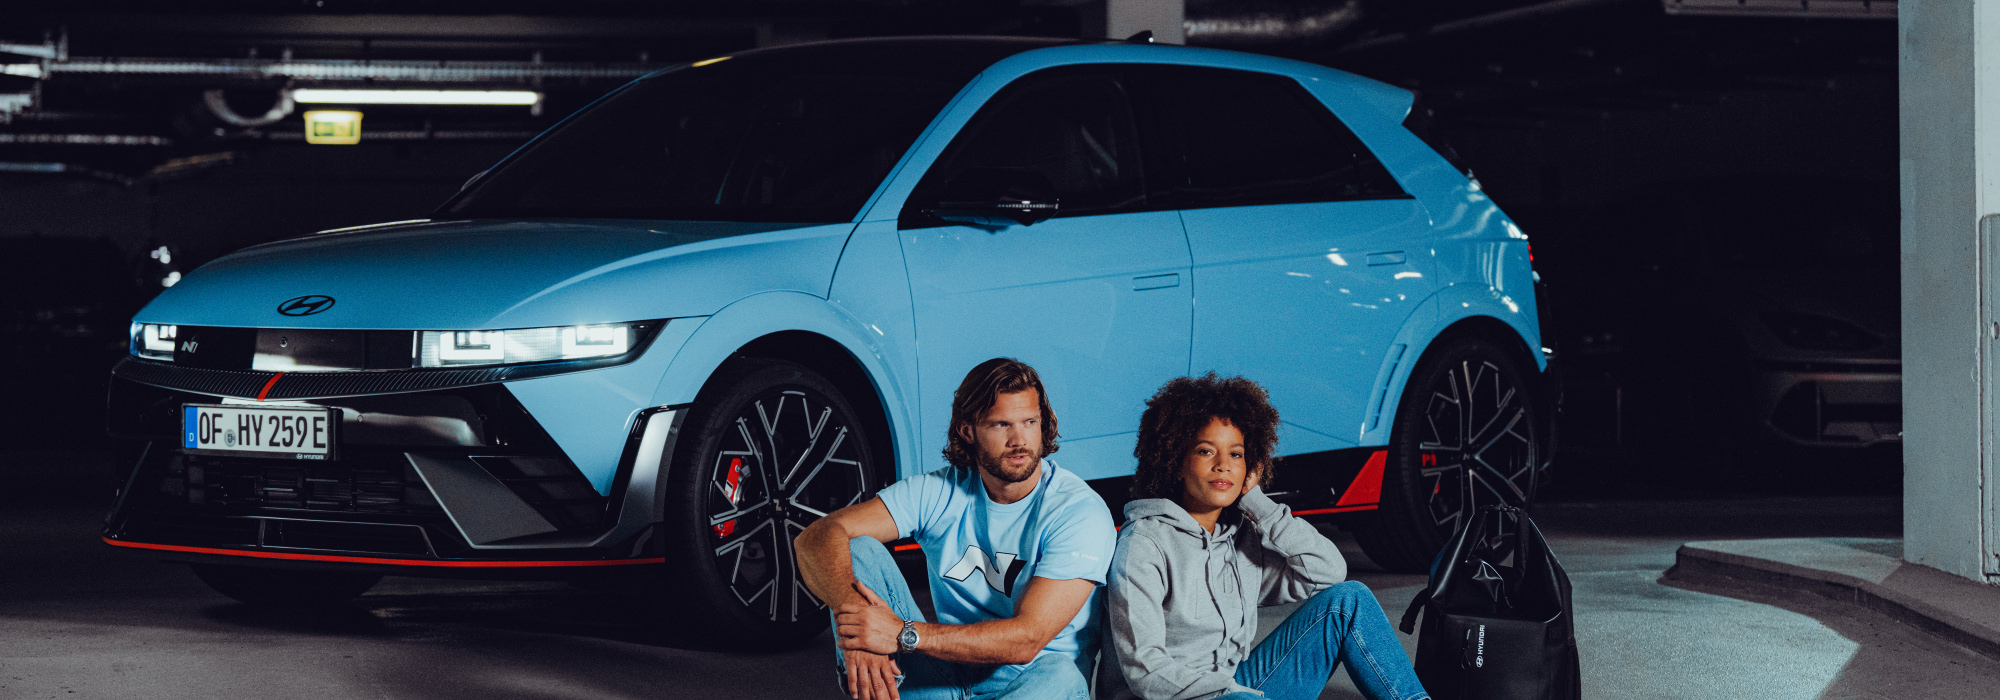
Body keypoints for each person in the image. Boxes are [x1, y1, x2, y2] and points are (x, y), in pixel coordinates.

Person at [795, 357, 1116, 700]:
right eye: (1000, 425)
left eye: (1030, 422)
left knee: (1062, 675)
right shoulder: (941, 491)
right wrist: (860, 624)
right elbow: (815, 537)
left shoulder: (1077, 512)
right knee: (856, 549)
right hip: (944, 678)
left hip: (1029, 688)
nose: (1019, 439)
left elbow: (1027, 639)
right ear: (968, 430)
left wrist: (903, 634)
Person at [1104, 373, 1430, 700]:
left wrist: (1257, 503)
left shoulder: (1238, 539)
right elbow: (1145, 672)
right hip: (1173, 696)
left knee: (1349, 600)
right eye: (1206, 451)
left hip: (1238, 689)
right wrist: (1232, 693)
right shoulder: (1144, 544)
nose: (1223, 465)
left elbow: (1328, 571)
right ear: (1176, 460)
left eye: (1236, 454)